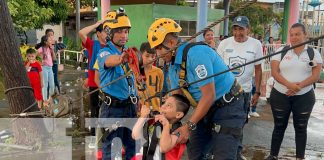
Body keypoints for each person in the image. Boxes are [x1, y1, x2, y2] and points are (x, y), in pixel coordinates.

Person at [148, 18, 245, 160]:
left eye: (158, 48)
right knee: (196, 153)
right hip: (204, 109)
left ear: (171, 43)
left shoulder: (196, 54)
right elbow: (178, 98)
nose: (157, 54)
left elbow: (209, 95)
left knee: (224, 155)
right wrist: (164, 116)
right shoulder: (173, 66)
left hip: (228, 106)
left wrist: (188, 126)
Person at [265, 23, 322, 160]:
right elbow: (275, 72)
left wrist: (299, 86)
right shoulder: (281, 51)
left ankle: (299, 157)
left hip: (304, 96)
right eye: (291, 34)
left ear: (305, 35)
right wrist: (290, 85)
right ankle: (273, 155)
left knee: (301, 127)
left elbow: (316, 76)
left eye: (297, 34)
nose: (294, 37)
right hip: (280, 95)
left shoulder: (313, 53)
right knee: (279, 126)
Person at [217, 16, 263, 159]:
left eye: (241, 29)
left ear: (248, 29)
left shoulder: (256, 44)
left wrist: (258, 91)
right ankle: (219, 150)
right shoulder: (224, 43)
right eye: (235, 29)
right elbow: (217, 67)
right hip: (225, 90)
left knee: (241, 122)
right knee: (222, 122)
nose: (238, 32)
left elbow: (258, 69)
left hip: (245, 91)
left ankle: (237, 150)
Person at [97, 9, 137, 160]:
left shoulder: (128, 53)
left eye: (126, 31)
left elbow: (132, 82)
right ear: (109, 33)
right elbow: (110, 61)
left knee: (132, 146)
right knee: (113, 150)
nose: (124, 35)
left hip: (130, 107)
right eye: (119, 31)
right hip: (113, 110)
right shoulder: (104, 53)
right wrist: (121, 59)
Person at [132, 94, 190, 160]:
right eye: (164, 103)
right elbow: (135, 135)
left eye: (169, 105)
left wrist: (166, 125)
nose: (163, 106)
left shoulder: (177, 130)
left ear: (178, 114)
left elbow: (164, 148)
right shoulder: (154, 121)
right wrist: (142, 117)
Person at [79, 14, 107, 135]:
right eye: (105, 31)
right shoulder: (93, 44)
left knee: (107, 109)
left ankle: (105, 134)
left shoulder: (111, 46)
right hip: (93, 81)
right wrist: (96, 24)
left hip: (107, 81)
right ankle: (93, 134)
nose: (108, 34)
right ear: (99, 33)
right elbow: (81, 33)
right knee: (94, 109)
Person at [138, 42, 164, 112]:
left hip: (155, 110)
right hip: (139, 111)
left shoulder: (159, 72)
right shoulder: (134, 72)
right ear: (140, 55)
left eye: (153, 56)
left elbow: (159, 90)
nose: (150, 59)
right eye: (147, 56)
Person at [37, 35, 56, 107]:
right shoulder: (41, 49)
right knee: (45, 84)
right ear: (45, 42)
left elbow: (54, 59)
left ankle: (50, 98)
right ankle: (45, 101)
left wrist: (52, 50)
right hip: (44, 68)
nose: (51, 41)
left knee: (52, 85)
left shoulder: (50, 48)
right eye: (50, 40)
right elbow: (34, 55)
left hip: (50, 68)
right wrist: (39, 62)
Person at [45, 29, 61, 95]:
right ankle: (48, 94)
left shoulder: (54, 44)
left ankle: (58, 93)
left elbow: (54, 58)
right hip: (47, 65)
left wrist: (52, 48)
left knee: (55, 78)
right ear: (46, 36)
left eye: (52, 35)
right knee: (47, 79)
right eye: (49, 35)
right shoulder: (44, 45)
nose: (51, 36)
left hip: (54, 64)